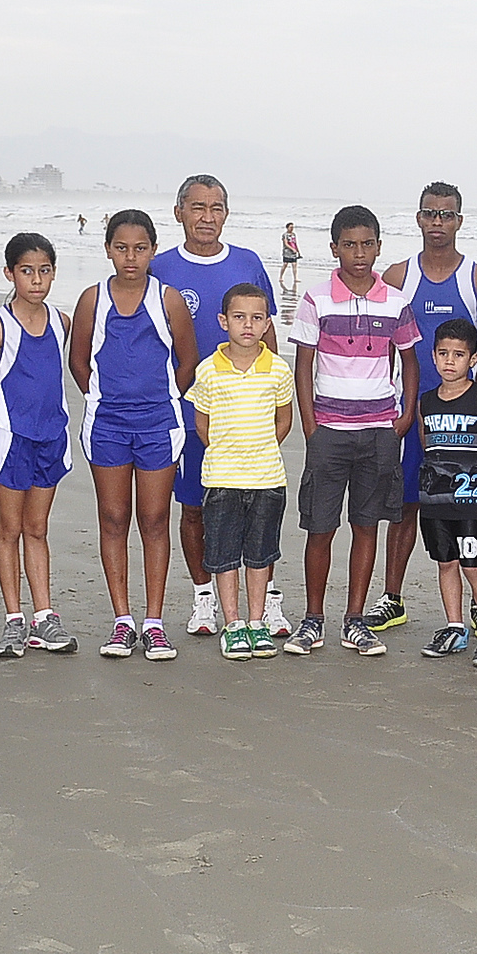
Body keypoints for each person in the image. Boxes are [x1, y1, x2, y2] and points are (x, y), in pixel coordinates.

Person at [150, 174, 287, 642]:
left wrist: (269, 406)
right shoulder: (160, 267)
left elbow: (267, 331)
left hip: (248, 412)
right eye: (198, 207)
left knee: (259, 507)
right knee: (194, 508)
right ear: (179, 212)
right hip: (191, 410)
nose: (207, 217)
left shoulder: (246, 262)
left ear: (226, 213)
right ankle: (203, 595)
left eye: (216, 208)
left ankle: (266, 601)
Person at [284, 205, 420, 657]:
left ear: (379, 246)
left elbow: (410, 361)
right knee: (320, 528)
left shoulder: (396, 301)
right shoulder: (317, 299)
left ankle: (356, 620)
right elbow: (304, 364)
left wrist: (401, 421)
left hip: (379, 432)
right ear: (334, 248)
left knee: (367, 526)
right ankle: (313, 619)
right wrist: (311, 425)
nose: (359, 254)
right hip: (329, 432)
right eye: (349, 244)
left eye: (367, 244)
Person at [69, 210, 198, 661]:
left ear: (153, 251)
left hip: (159, 423)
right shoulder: (92, 300)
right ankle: (123, 620)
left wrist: (159, 399)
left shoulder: (168, 300)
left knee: (155, 518)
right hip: (106, 423)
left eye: (139, 248)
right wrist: (106, 397)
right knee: (113, 517)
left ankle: (155, 622)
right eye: (121, 248)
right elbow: (79, 360)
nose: (130, 257)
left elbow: (187, 362)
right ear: (107, 249)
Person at [369, 183, 477, 637]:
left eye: (447, 215)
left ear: (460, 221)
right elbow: (380, 347)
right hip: (410, 414)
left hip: (461, 423)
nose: (438, 222)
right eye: (430, 214)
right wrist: (387, 408)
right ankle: (392, 597)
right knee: (404, 506)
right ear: (418, 219)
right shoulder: (399, 276)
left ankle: (476, 605)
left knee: (465, 511)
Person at [0, 232, 78, 659]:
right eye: (26, 271)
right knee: (10, 528)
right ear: (10, 274)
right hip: (11, 438)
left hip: (51, 435)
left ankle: (44, 617)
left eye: (44, 270)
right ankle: (14, 619)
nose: (36, 279)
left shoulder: (62, 321)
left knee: (37, 529)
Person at [186, 283, 296, 661]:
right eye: (239, 317)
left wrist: (260, 448)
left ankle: (256, 622)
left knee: (260, 554)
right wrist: (228, 451)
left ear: (267, 323)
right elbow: (203, 424)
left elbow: (285, 420)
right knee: (223, 555)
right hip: (221, 479)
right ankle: (232, 625)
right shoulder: (208, 371)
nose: (247, 325)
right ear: (223, 321)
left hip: (267, 478)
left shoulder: (279, 370)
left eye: (256, 318)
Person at [415, 319, 477, 666]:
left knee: (474, 566)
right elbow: (427, 445)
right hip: (435, 501)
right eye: (443, 354)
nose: (449, 361)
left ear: (473, 357)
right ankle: (454, 627)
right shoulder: (426, 401)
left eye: (458, 354)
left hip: (470, 502)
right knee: (445, 563)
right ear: (434, 356)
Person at [280, 221, 301, 296]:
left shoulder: (294, 235)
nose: (292, 229)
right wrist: (292, 249)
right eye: (290, 227)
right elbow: (286, 243)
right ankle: (281, 277)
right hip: (287, 252)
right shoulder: (284, 235)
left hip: (294, 252)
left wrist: (298, 251)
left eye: (293, 227)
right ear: (287, 228)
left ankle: (295, 278)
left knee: (294, 265)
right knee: (285, 264)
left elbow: (295, 243)